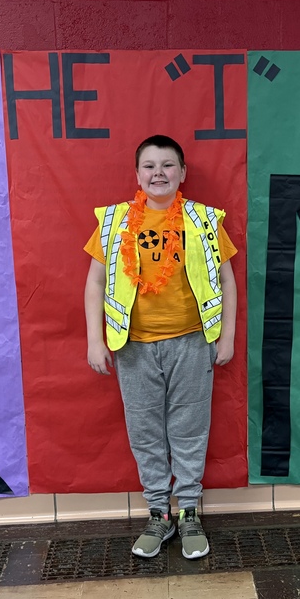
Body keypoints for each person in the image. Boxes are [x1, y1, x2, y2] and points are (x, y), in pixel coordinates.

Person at [83, 135, 237, 559]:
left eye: (167, 165)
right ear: (137, 175)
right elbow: (95, 281)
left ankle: (188, 511)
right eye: (149, 166)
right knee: (145, 431)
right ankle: (158, 512)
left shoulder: (203, 221)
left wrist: (227, 335)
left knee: (189, 428)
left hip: (191, 341)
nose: (158, 174)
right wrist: (96, 340)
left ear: (182, 173)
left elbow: (226, 279)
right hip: (133, 346)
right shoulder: (114, 222)